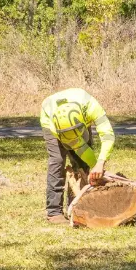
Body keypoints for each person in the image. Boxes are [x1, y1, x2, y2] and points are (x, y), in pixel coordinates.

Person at [40, 88, 115, 224]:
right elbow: (76, 147)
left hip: (79, 117)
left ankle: (79, 204)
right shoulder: (52, 123)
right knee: (57, 160)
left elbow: (108, 135)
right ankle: (54, 211)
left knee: (82, 162)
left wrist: (99, 164)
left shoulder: (92, 107)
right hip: (50, 118)